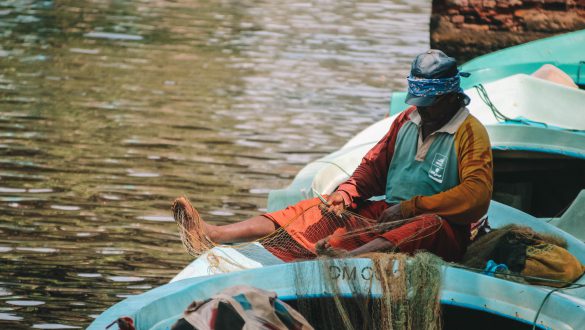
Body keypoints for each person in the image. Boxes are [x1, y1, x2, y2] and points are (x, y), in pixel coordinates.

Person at [173, 49, 493, 262]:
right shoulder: (406, 120)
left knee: (425, 225)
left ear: (452, 96)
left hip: (440, 228)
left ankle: (349, 259)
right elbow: (373, 169)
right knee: (314, 210)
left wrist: (414, 207)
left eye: (430, 103)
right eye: (419, 102)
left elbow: (476, 197)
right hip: (390, 212)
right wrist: (347, 192)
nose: (422, 109)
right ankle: (215, 234)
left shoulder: (470, 132)